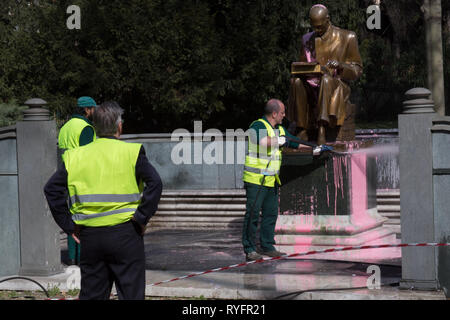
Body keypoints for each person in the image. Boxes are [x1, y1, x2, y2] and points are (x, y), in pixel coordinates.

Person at [44, 101, 163, 300]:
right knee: (131, 294)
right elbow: (155, 183)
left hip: (90, 237)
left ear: (95, 127)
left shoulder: (75, 156)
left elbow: (51, 189)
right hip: (126, 233)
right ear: (119, 126)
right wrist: (141, 217)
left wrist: (69, 225)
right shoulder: (131, 153)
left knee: (93, 295)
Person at [242, 99, 314, 261]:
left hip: (271, 180)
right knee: (252, 215)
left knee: (270, 214)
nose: (284, 115)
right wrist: (279, 140)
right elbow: (262, 142)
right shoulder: (258, 126)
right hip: (256, 180)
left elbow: (294, 142)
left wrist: (314, 148)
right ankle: (250, 249)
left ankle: (267, 246)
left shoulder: (279, 129)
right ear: (274, 114)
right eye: (282, 112)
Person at [288, 4, 363, 145]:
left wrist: (341, 65)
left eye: (320, 27)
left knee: (326, 80)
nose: (317, 30)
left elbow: (357, 70)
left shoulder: (347, 37)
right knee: (296, 82)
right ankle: (301, 128)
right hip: (312, 84)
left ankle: (322, 128)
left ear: (328, 20)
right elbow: (304, 65)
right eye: (314, 26)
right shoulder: (307, 39)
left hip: (337, 85)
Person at [58, 96, 98, 266]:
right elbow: (88, 155)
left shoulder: (65, 127)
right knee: (84, 216)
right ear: (87, 110)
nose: (95, 112)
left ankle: (73, 257)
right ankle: (83, 257)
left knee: (72, 215)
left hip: (67, 174)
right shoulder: (86, 128)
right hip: (82, 176)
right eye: (93, 109)